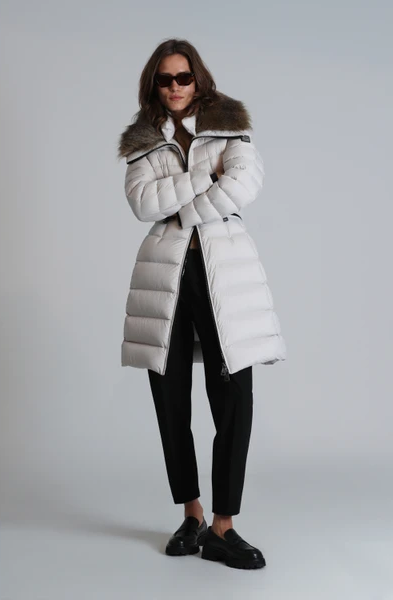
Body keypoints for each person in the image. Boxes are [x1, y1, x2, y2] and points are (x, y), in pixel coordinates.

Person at [117, 38, 287, 570]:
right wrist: (201, 178)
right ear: (153, 85)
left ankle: (222, 526)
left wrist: (182, 208)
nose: (175, 87)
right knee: (170, 400)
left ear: (198, 79)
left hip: (222, 274)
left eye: (183, 77)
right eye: (164, 79)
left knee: (233, 397)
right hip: (166, 275)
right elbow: (143, 202)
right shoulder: (143, 141)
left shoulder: (230, 126)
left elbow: (242, 186)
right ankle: (191, 515)